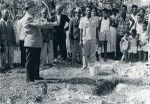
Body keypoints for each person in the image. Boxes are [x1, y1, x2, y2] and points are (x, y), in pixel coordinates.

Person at [22, 1, 59, 82]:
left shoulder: (31, 16)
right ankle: (29, 78)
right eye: (34, 7)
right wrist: (53, 23)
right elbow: (41, 24)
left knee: (36, 60)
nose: (35, 9)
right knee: (30, 61)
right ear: (30, 8)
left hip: (35, 43)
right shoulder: (28, 17)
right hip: (31, 43)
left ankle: (35, 76)